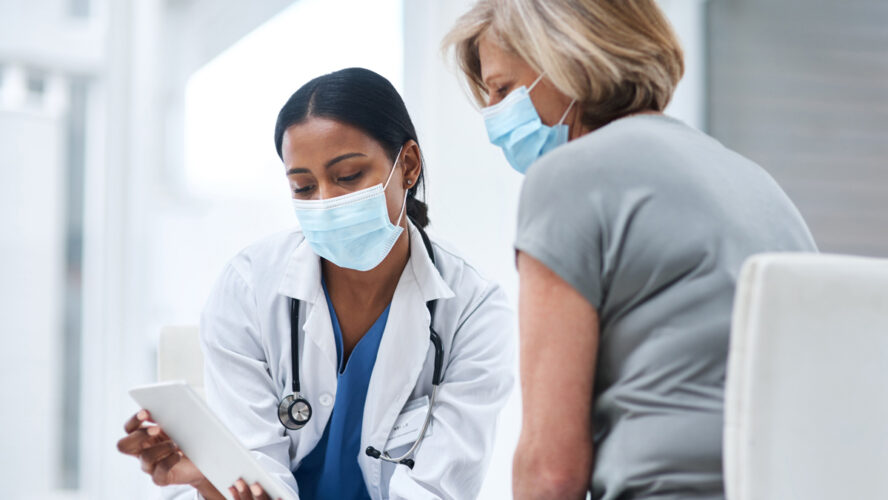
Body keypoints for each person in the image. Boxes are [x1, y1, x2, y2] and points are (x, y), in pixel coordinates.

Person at [443, 1, 817, 499]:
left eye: (503, 90)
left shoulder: (569, 177)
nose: (495, 121)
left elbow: (551, 473)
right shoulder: (758, 184)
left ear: (566, 56)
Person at [117, 67, 515, 500]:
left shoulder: (473, 310)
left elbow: (436, 490)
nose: (326, 202)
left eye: (347, 177)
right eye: (304, 187)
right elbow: (254, 477)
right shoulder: (249, 288)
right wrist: (208, 480)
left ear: (409, 165)